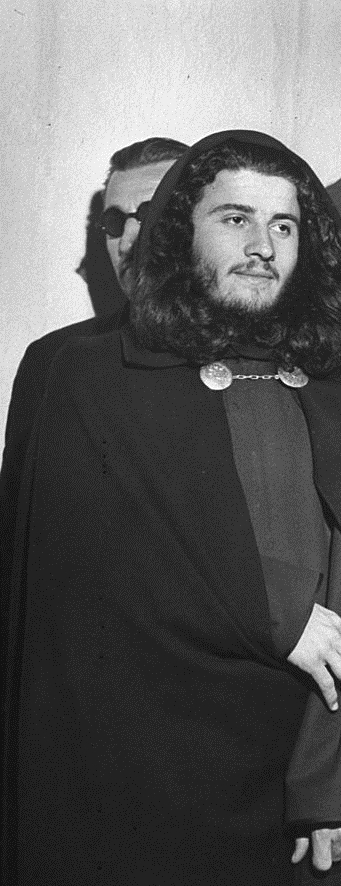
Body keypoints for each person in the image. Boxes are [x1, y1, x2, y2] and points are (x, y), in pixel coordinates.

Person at [3, 130, 341, 886]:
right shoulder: (90, 377)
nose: (262, 246)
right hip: (147, 794)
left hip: (302, 795)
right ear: (183, 230)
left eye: (284, 226)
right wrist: (272, 618)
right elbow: (82, 589)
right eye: (237, 219)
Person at [0, 138, 189, 609]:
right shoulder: (53, 360)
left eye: (152, 213)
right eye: (115, 222)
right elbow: (19, 550)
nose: (128, 242)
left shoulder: (266, 359)